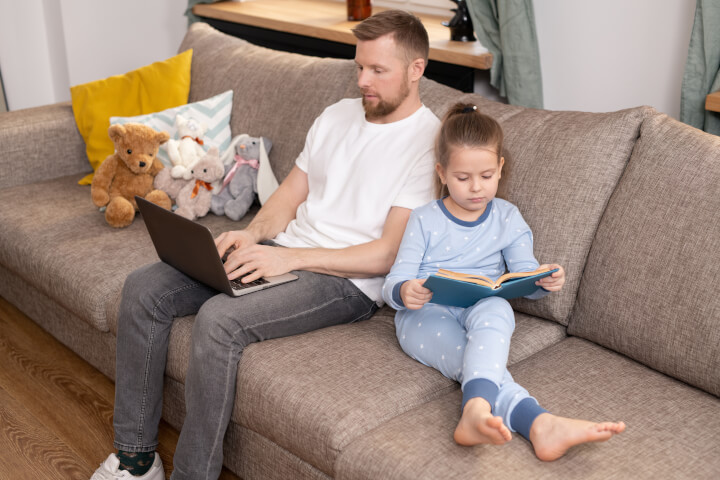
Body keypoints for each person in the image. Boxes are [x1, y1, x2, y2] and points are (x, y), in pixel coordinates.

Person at [92, 10, 441, 480]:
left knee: (218, 321)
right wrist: (253, 234)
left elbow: (386, 254)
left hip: (348, 281)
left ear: (416, 69)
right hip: (284, 247)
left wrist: (286, 256)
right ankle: (136, 460)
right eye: (359, 67)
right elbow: (289, 196)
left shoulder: (428, 142)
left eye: (378, 70)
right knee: (142, 288)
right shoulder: (336, 115)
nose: (363, 80)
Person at [381, 102, 625, 461]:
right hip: (425, 315)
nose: (476, 188)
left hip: (480, 305)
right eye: (463, 178)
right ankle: (534, 421)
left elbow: (522, 273)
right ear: (442, 172)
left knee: (496, 307)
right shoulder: (424, 218)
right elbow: (395, 280)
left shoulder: (508, 218)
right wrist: (405, 291)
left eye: (486, 176)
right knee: (475, 359)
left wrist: (543, 280)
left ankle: (486, 413)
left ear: (500, 168)